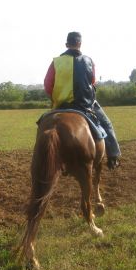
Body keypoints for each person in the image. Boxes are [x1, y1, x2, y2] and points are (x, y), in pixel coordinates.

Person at [44, 31, 121, 170]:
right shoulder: (89, 61)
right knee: (107, 124)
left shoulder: (56, 62)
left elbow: (48, 85)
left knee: (44, 124)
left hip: (62, 105)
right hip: (86, 105)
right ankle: (113, 156)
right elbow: (92, 81)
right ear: (79, 43)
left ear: (66, 44)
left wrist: (55, 99)